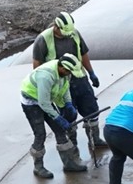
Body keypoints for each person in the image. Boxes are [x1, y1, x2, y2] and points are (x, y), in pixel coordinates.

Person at [32, 11, 105, 148]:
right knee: (68, 116)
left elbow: (83, 54)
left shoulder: (74, 33)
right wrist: (43, 87)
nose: (67, 36)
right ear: (56, 27)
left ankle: (95, 140)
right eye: (64, 33)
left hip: (79, 78)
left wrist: (91, 73)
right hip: (59, 83)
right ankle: (73, 146)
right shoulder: (43, 40)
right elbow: (37, 65)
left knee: (91, 108)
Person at [20, 52, 87, 179]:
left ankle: (69, 163)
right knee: (40, 134)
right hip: (31, 101)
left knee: (60, 131)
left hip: (45, 98)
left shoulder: (65, 72)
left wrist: (68, 103)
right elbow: (43, 103)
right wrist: (57, 118)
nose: (69, 75)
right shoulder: (46, 76)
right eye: (68, 72)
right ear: (62, 68)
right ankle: (38, 167)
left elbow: (65, 87)